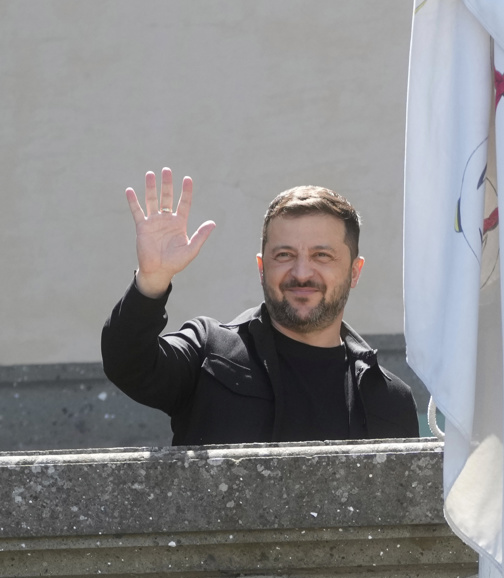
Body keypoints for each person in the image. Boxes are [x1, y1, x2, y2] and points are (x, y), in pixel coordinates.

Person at [102, 168, 419, 445]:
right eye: (284, 255)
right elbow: (129, 364)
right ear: (261, 267)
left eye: (322, 256)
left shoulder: (390, 400)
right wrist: (151, 281)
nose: (301, 272)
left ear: (354, 272)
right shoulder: (209, 352)